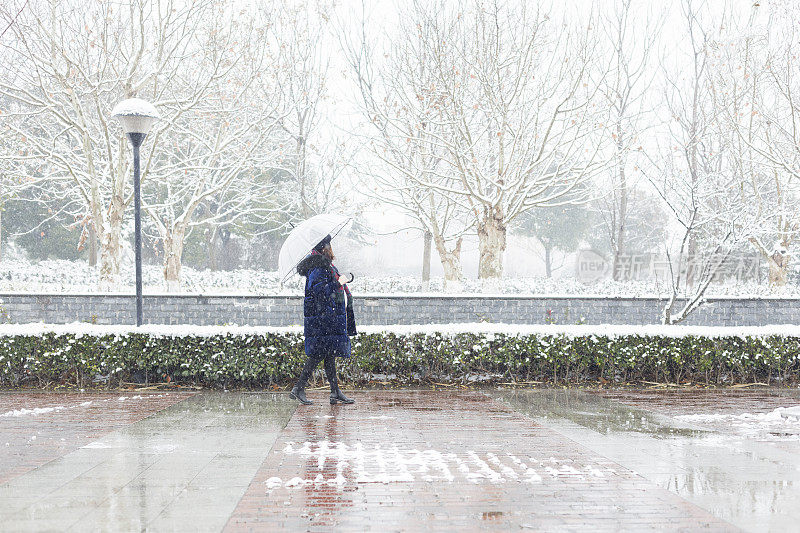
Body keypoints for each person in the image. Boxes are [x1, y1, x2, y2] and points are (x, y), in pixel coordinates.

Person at [290, 234, 357, 405]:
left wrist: (342, 280)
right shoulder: (319, 268)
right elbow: (321, 293)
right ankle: (298, 388)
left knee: (328, 355)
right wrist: (339, 283)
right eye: (329, 247)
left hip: (326, 320)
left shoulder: (325, 266)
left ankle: (334, 392)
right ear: (324, 249)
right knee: (317, 355)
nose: (331, 250)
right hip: (322, 321)